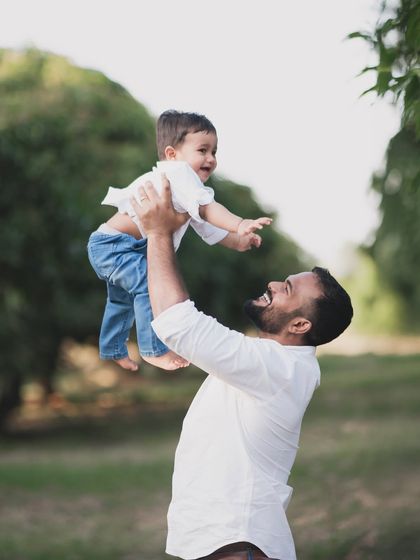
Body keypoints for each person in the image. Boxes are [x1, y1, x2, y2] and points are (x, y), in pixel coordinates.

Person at [130, 177, 354, 560]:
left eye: (286, 288)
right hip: (226, 545)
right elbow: (182, 330)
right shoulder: (271, 364)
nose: (272, 284)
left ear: (300, 326)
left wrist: (157, 233)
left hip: (237, 547)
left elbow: (179, 324)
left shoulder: (278, 369)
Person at [87, 110, 272, 372]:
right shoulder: (179, 174)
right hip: (116, 247)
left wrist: (236, 240)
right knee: (146, 286)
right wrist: (240, 224)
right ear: (173, 154)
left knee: (121, 300)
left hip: (112, 245)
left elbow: (205, 226)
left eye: (214, 152)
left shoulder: (185, 188)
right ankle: (153, 350)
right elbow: (209, 210)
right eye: (203, 150)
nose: (211, 159)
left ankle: (112, 348)